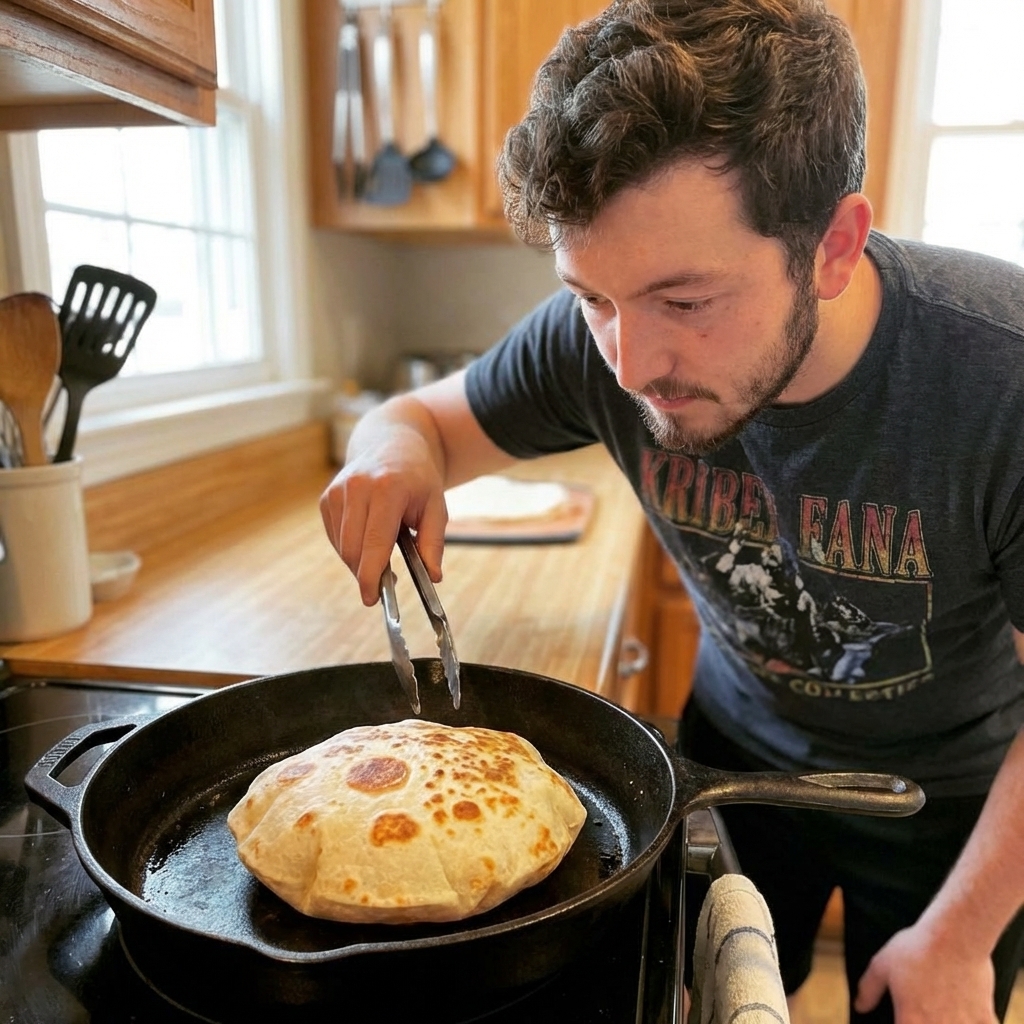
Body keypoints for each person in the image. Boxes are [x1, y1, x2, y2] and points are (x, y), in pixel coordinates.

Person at [318, 1, 1024, 1020]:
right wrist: (388, 451)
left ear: (832, 246)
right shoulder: (599, 340)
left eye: (685, 303)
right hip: (724, 757)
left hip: (947, 804)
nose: (631, 364)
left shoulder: (998, 380)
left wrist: (959, 937)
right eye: (592, 297)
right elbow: (420, 418)